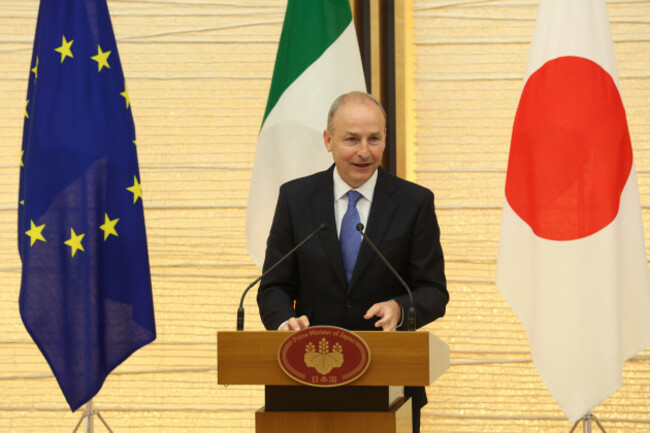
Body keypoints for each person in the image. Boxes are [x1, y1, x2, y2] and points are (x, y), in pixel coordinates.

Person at [257, 91, 448, 433]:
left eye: (374, 139)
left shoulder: (414, 202)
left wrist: (400, 308)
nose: (364, 151)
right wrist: (284, 322)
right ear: (328, 141)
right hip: (305, 381)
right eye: (351, 139)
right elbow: (274, 286)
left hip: (390, 389)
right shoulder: (296, 198)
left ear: (385, 140)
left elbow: (433, 291)